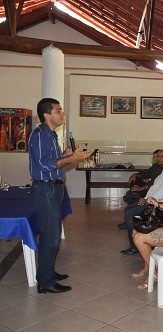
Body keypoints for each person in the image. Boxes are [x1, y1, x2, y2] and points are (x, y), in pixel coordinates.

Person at [29, 98, 92, 294]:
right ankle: (45, 283)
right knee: (51, 237)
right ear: (47, 115)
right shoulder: (40, 135)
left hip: (54, 188)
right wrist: (72, 158)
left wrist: (66, 153)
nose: (62, 113)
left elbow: (53, 160)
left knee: (52, 234)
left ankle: (48, 272)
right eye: (58, 110)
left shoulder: (50, 135)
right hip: (46, 189)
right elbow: (44, 164)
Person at [120, 151, 163, 255]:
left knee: (129, 214)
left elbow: (159, 196)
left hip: (158, 206)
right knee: (128, 209)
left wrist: (145, 200)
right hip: (150, 200)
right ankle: (133, 229)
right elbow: (154, 188)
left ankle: (135, 246)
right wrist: (144, 198)